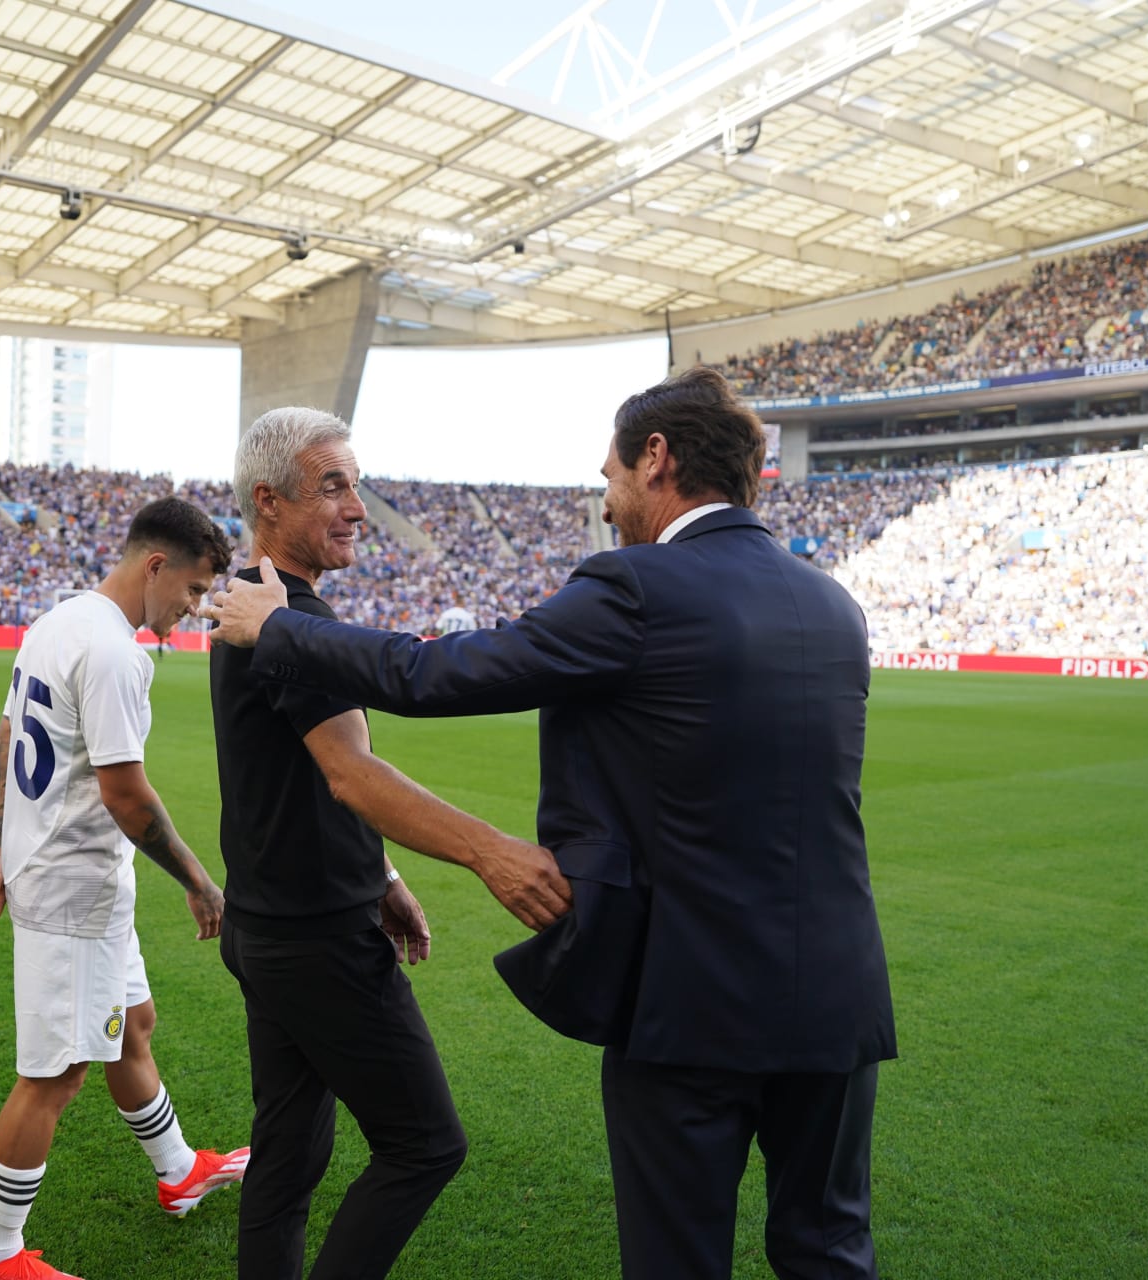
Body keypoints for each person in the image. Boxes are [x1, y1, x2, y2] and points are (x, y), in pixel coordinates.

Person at [204, 369, 898, 1280]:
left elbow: (447, 672)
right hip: (839, 994)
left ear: (657, 459)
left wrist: (282, 626)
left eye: (609, 471)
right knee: (829, 1252)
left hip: (689, 1000)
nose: (605, 497)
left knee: (678, 1259)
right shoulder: (834, 605)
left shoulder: (639, 587)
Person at [207, 407, 572, 1280]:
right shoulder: (280, 617)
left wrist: (380, 870)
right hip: (316, 942)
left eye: (355, 485)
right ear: (270, 499)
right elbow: (352, 775)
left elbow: (318, 773)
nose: (357, 506)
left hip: (267, 926)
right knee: (424, 1145)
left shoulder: (265, 605)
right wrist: (488, 850)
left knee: (288, 1156)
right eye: (334, 485)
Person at [0, 496, 249, 1280]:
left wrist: (4, 845)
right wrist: (200, 882)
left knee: (135, 1023)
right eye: (192, 591)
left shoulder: (58, 621)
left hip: (65, 870)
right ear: (156, 566)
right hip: (73, 887)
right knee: (54, 1075)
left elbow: (9, 737)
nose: (194, 611)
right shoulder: (117, 652)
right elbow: (127, 795)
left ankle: (179, 1168)